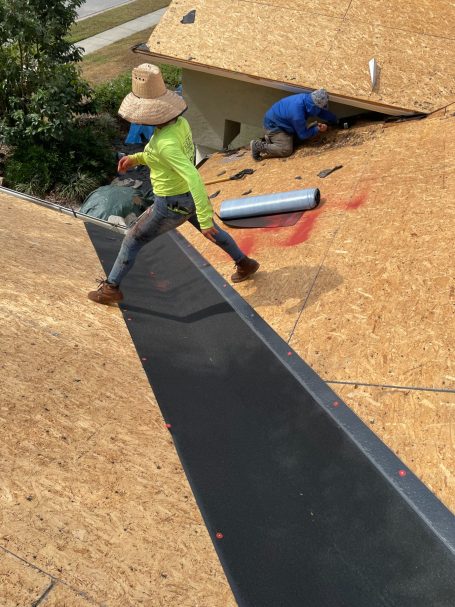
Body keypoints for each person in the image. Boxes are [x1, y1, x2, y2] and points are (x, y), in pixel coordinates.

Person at [88, 64, 259, 305]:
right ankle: (244, 263)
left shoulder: (164, 144)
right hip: (186, 198)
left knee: (133, 239)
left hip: (170, 203)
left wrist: (206, 214)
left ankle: (111, 288)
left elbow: (193, 176)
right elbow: (161, 157)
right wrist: (136, 158)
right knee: (212, 233)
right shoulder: (180, 125)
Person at [250, 89, 338, 161]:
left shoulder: (308, 99)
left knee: (304, 136)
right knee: (286, 150)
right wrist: (317, 130)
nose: (321, 109)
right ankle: (257, 146)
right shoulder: (297, 115)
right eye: (320, 108)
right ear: (314, 106)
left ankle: (273, 141)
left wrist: (335, 120)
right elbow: (303, 135)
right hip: (274, 127)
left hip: (285, 123)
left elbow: (320, 112)